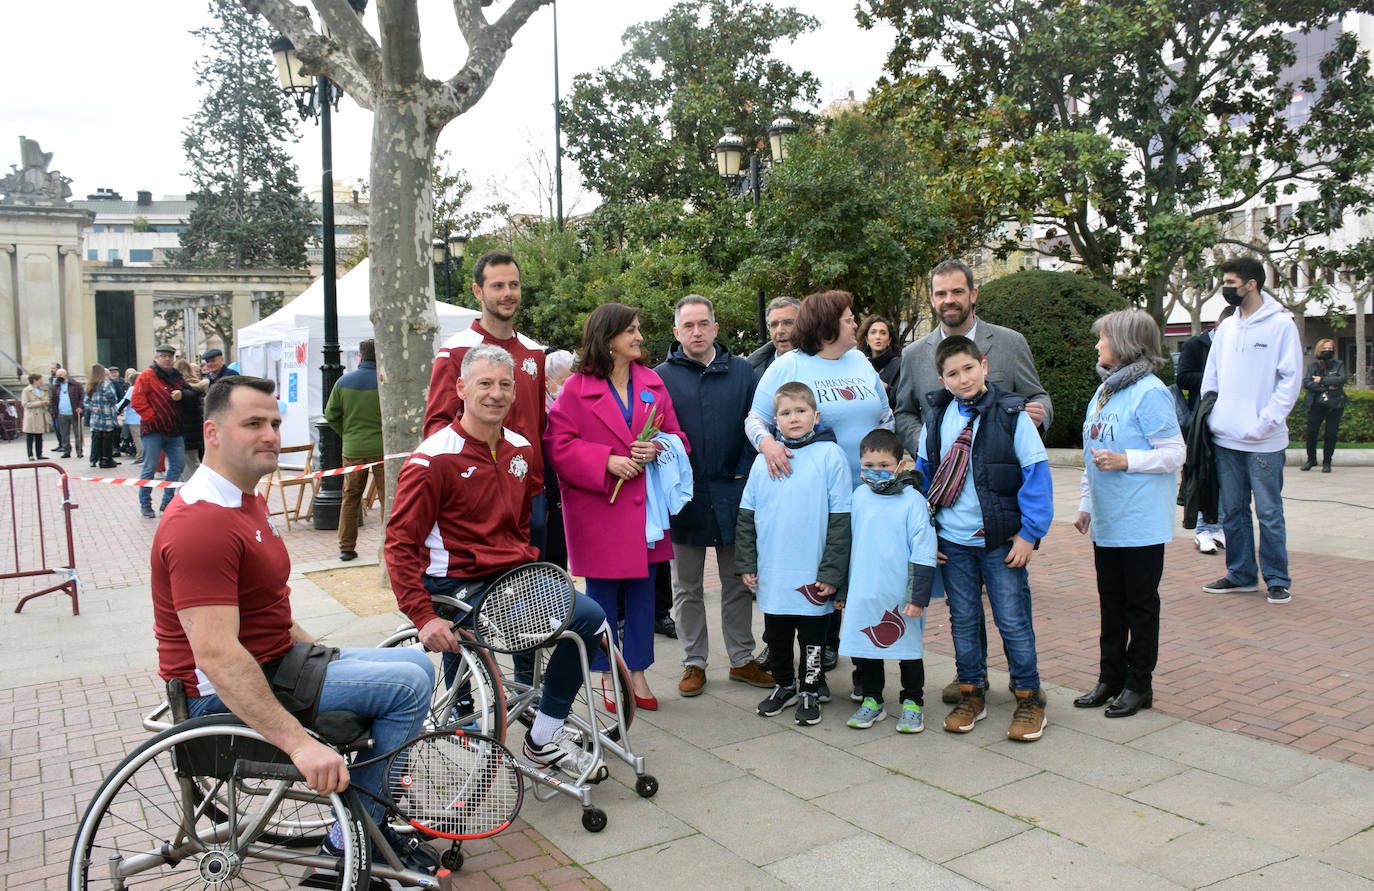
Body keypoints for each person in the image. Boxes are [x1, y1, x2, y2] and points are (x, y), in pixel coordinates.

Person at [151, 375, 439, 874]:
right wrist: (300, 743)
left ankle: (365, 818)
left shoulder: (244, 498)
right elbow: (217, 655)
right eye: (253, 423)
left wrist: (328, 657)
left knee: (413, 660)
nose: (270, 435)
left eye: (275, 423)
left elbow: (271, 614)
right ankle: (345, 846)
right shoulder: (201, 524)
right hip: (219, 694)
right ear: (212, 433)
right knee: (407, 684)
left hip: (276, 662)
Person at [386, 345, 609, 775]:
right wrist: (421, 616)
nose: (496, 393)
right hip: (459, 586)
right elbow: (399, 544)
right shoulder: (432, 459)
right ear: (461, 388)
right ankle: (545, 737)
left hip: (513, 578)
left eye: (505, 384)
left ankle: (544, 731)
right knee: (581, 619)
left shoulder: (521, 450)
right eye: (485, 383)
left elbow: (522, 524)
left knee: (594, 621)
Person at [894, 259, 1053, 706]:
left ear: (973, 293)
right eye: (940, 293)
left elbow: (1036, 396)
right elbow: (904, 409)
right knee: (962, 613)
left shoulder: (1007, 342)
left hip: (998, 512)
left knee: (1010, 613)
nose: (949, 300)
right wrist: (929, 442)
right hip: (952, 513)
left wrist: (1037, 416)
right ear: (931, 299)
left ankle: (1026, 692)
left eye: (957, 292)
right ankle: (972, 680)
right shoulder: (914, 354)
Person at [544, 303, 688, 710]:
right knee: (602, 599)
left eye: (638, 329)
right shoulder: (575, 388)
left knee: (644, 596)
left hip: (646, 514)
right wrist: (605, 460)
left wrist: (658, 447)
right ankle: (606, 674)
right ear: (608, 339)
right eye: (631, 331)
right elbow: (557, 445)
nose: (639, 337)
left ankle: (637, 674)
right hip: (598, 512)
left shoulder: (653, 384)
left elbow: (678, 437)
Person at [747, 289, 892, 680]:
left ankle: (850, 659)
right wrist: (769, 446)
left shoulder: (861, 362)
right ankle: (801, 652)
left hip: (865, 494)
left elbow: (886, 416)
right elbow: (756, 420)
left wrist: (891, 456)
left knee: (857, 577)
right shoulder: (788, 366)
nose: (854, 324)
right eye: (848, 318)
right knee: (815, 570)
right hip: (809, 495)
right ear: (828, 326)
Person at [916, 335, 1053, 742]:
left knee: (1012, 620)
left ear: (985, 366)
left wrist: (1029, 535)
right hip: (954, 543)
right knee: (964, 621)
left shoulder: (1013, 415)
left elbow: (1036, 477)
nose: (963, 379)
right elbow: (926, 478)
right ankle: (972, 692)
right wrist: (930, 535)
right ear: (942, 379)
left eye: (969, 369)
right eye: (953, 374)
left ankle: (1029, 696)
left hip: (1000, 542)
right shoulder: (937, 418)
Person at [655, 295, 772, 698]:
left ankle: (742, 659)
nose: (697, 332)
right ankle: (694, 662)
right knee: (686, 587)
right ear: (676, 332)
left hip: (733, 491)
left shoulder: (743, 372)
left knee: (737, 582)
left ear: (716, 328)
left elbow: (756, 423)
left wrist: (742, 469)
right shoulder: (661, 377)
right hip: (685, 497)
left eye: (703, 324)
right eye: (688, 326)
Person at [1072, 310, 1184, 718]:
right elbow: (1091, 454)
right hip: (1108, 519)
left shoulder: (1150, 391)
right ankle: (1110, 678)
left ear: (1124, 343)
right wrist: (1086, 504)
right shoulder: (1105, 393)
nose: (1097, 344)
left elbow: (1175, 453)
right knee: (1111, 604)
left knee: (1140, 605)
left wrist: (1126, 460)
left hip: (1140, 521)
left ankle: (1139, 684)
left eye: (1103, 338)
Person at [736, 382, 851, 726]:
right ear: (775, 422)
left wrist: (832, 572)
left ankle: (811, 689)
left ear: (815, 416)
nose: (794, 418)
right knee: (777, 635)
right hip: (774, 571)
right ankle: (785, 685)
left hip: (813, 572)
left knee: (814, 638)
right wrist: (747, 563)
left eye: (801, 411)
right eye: (786, 413)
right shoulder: (762, 463)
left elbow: (841, 520)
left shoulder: (831, 456)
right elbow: (746, 518)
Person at [423, 250, 549, 555]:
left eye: (514, 285)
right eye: (498, 286)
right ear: (477, 291)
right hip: (481, 492)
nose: (508, 294)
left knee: (534, 588)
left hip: (530, 491)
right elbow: (437, 427)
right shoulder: (455, 351)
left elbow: (538, 425)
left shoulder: (534, 353)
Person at [1200, 256, 1303, 605]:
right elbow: (1210, 374)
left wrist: (1267, 420)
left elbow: (1290, 380)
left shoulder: (1281, 325)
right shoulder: (1227, 328)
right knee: (1233, 510)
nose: (1226, 289)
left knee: (1269, 512)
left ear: (1251, 284)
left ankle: (1276, 578)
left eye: (1230, 283)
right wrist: (1212, 416)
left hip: (1265, 441)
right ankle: (1241, 574)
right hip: (1226, 437)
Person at [838, 428, 936, 733]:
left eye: (883, 466)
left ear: (900, 465)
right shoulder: (858, 497)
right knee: (866, 650)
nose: (876, 472)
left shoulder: (912, 502)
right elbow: (845, 545)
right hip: (864, 591)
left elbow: (924, 549)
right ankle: (872, 699)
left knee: (908, 651)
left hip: (900, 594)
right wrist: (842, 590)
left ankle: (912, 701)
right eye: (868, 466)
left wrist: (917, 596)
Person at [1175, 305, 1235, 553]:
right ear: (1219, 326)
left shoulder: (1236, 348)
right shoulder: (1195, 345)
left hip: (1229, 418)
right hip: (1202, 418)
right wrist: (1215, 376)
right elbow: (1183, 378)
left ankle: (1217, 524)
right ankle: (1202, 528)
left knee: (1223, 476)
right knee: (1202, 473)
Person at [325, 338, 383, 561]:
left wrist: (346, 433)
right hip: (382, 450)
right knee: (387, 499)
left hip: (353, 449)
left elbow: (331, 415)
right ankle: (389, 544)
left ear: (360, 356)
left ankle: (346, 546)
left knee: (351, 498)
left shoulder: (342, 382)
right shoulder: (385, 381)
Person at [132, 345, 193, 518]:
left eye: (170, 356)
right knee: (149, 468)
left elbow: (190, 392)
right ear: (156, 357)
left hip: (174, 431)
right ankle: (145, 504)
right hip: (153, 431)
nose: (167, 359)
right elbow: (137, 401)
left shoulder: (176, 376)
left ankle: (167, 501)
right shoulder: (146, 376)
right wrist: (153, 417)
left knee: (178, 465)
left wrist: (182, 394)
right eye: (163, 356)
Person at [542, 349, 575, 571]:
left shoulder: (570, 410)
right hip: (548, 505)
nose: (570, 387)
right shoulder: (539, 414)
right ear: (547, 382)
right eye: (565, 381)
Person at [1302, 337, 1347, 473]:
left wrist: (1321, 380)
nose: (1327, 351)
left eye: (1330, 348)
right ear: (1319, 349)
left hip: (1334, 404)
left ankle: (1327, 462)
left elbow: (1341, 379)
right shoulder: (1313, 366)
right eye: (1324, 348)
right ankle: (1311, 459)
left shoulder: (1338, 364)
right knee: (1311, 432)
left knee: (1331, 434)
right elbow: (1307, 383)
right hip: (1316, 403)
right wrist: (1327, 387)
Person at [747, 296, 801, 379]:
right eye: (774, 324)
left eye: (788, 323)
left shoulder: (823, 363)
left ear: (803, 324)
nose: (780, 330)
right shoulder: (752, 372)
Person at [175, 358, 209, 476]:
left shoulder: (184, 390)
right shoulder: (197, 387)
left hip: (185, 432)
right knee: (192, 461)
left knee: (189, 463)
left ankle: (194, 490)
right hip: (195, 431)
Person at [858, 314, 901, 408]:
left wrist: (884, 387)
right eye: (873, 332)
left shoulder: (900, 365)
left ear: (889, 340)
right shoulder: (859, 364)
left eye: (883, 333)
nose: (878, 337)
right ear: (866, 339)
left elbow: (904, 399)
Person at [85, 362, 122, 469]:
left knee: (97, 438)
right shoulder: (106, 383)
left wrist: (93, 407)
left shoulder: (90, 384)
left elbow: (86, 401)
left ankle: (95, 459)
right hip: (107, 414)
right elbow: (112, 398)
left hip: (96, 416)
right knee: (107, 438)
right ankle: (106, 459)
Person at [49, 367, 83, 459]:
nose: (59, 377)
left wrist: (80, 407)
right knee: (64, 434)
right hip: (62, 413)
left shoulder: (76, 385)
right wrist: (54, 411)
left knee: (77, 433)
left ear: (65, 375)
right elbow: (52, 400)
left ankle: (79, 451)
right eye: (57, 375)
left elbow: (82, 397)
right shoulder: (55, 387)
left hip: (74, 412)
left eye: (61, 375)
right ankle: (66, 450)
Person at [21, 373, 50, 460]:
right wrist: (40, 403)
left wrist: (46, 402)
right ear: (35, 380)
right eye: (40, 380)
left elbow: (45, 400)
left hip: (40, 415)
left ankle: (39, 454)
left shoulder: (41, 391)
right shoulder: (27, 390)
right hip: (31, 416)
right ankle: (30, 455)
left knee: (39, 436)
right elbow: (25, 404)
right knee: (30, 436)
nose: (41, 382)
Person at [120, 368, 142, 461]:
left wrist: (118, 410)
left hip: (133, 417)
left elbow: (125, 401)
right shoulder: (141, 388)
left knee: (137, 438)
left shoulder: (132, 388)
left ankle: (140, 456)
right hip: (140, 417)